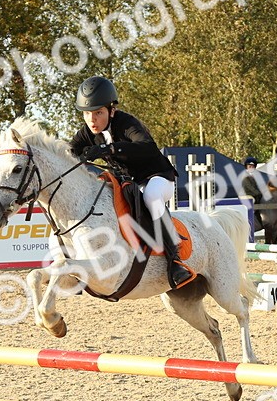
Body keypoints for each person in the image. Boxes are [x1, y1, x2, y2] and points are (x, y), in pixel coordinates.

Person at [68, 75, 196, 289]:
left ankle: (175, 260)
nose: (92, 120)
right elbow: (68, 153)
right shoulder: (88, 133)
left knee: (152, 196)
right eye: (87, 114)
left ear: (111, 110)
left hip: (157, 177)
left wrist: (109, 149)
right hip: (129, 183)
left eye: (98, 113)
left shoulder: (126, 123)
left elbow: (147, 146)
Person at [241, 157, 277, 244]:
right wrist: (261, 193)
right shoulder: (245, 177)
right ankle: (256, 217)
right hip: (249, 196)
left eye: (252, 166)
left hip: (254, 196)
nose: (251, 168)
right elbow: (251, 190)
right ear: (246, 167)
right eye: (249, 166)